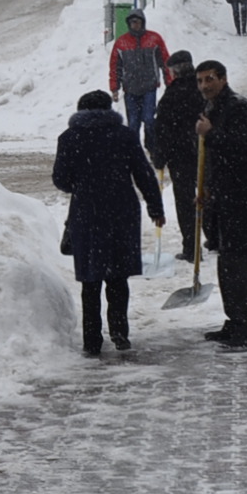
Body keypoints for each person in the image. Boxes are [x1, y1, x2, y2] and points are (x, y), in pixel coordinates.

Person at [53, 91, 166, 355]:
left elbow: (61, 180)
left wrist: (82, 183)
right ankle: (119, 332)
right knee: (117, 277)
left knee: (90, 281)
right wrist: (155, 207)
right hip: (121, 212)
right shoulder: (124, 135)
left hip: (86, 214)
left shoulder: (69, 138)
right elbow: (144, 174)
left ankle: (92, 340)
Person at [193, 60, 247, 347]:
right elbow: (216, 159)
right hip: (226, 203)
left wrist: (211, 133)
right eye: (200, 81)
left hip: (245, 204)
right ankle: (235, 322)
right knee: (227, 270)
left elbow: (241, 151)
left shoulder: (239, 108)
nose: (204, 86)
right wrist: (206, 189)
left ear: (223, 79)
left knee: (238, 271)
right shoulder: (213, 109)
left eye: (210, 79)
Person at [147, 49, 205, 263]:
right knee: (209, 194)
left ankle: (191, 247)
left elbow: (162, 129)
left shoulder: (173, 95)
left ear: (175, 71)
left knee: (186, 200)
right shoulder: (203, 89)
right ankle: (215, 238)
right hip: (204, 150)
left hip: (181, 156)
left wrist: (159, 156)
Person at [108, 12, 171, 137]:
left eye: (137, 21)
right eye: (132, 22)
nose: (135, 25)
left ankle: (151, 145)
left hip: (150, 87)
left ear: (143, 22)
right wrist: (114, 88)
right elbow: (115, 66)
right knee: (133, 124)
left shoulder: (154, 39)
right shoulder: (121, 43)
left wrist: (170, 82)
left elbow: (165, 62)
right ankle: (134, 147)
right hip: (130, 89)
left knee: (149, 120)